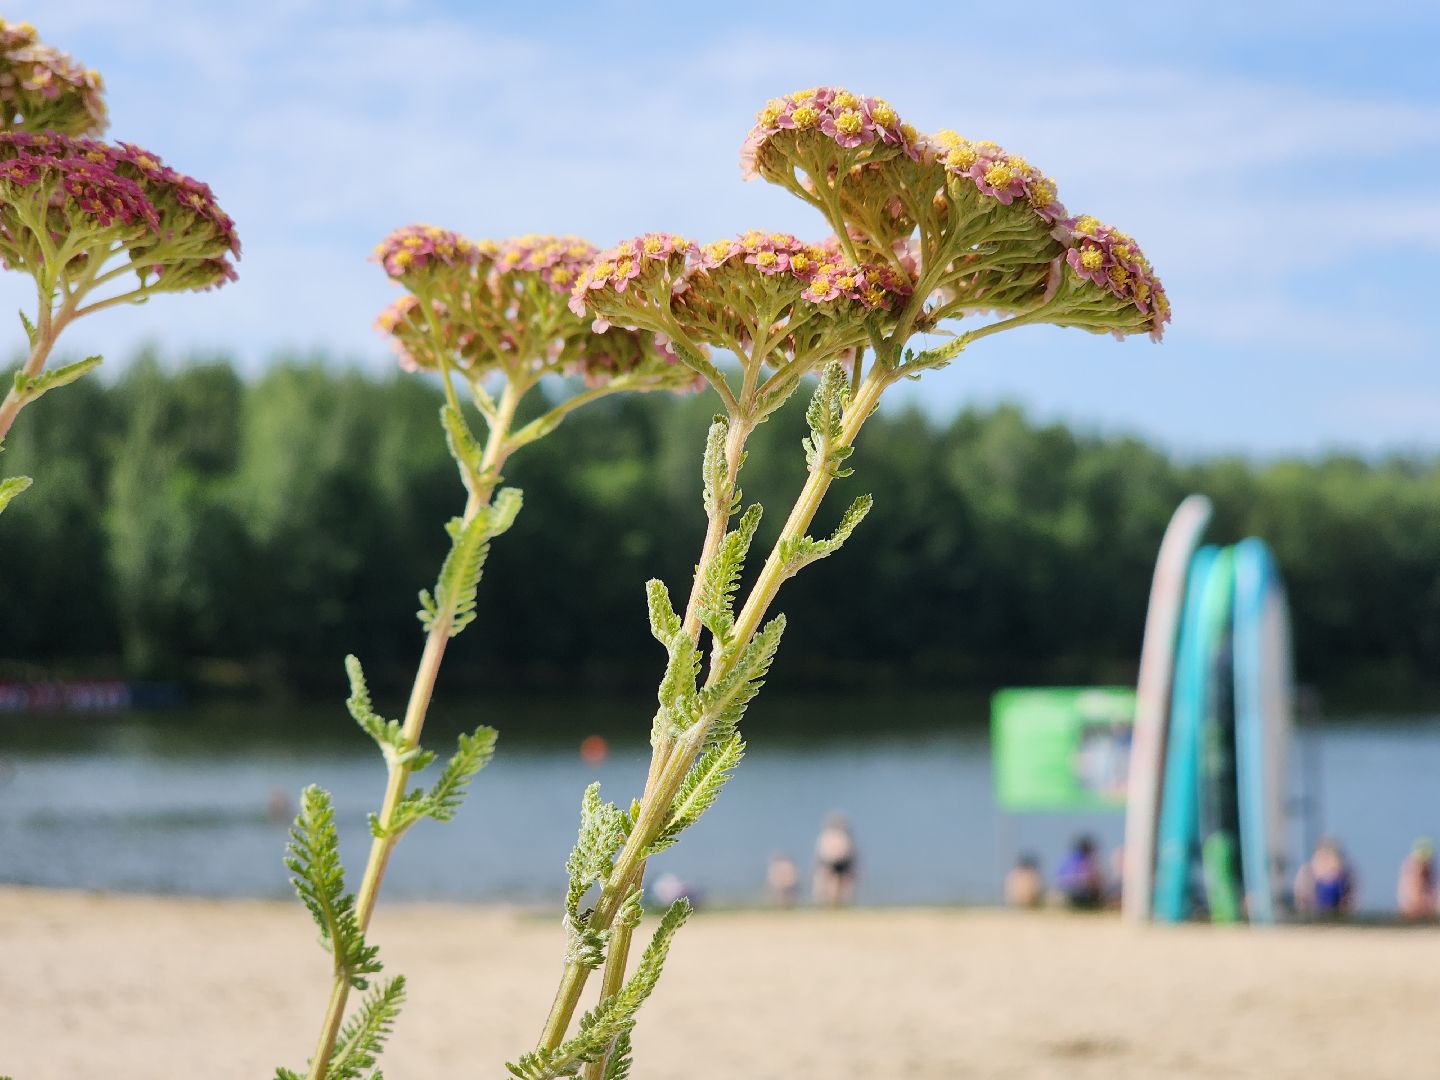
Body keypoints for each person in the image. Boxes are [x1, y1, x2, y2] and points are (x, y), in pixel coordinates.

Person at [1294, 837, 1356, 917]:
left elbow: (1350, 894)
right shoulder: (1307, 871)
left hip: (1337, 912)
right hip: (1315, 911)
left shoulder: (1344, 872)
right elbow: (1301, 895)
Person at [813, 812, 858, 906]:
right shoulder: (827, 836)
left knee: (842, 887)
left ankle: (840, 904)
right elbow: (822, 853)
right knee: (831, 887)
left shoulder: (843, 836)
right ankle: (829, 904)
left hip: (842, 863)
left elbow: (850, 852)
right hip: (830, 863)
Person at [1055, 834, 1105, 909]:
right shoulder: (1085, 859)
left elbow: (1059, 875)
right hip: (1078, 891)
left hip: (1067, 890)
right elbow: (1090, 877)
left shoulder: (1070, 858)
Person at [1396, 837, 1436, 921]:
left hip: (1416, 906)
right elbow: (1414, 893)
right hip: (1413, 907)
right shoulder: (1414, 868)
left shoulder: (1421, 867)